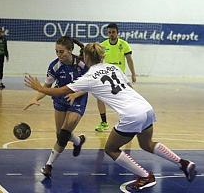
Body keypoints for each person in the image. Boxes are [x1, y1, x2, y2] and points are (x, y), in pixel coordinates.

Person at [25, 42, 197, 191]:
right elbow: (128, 86)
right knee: (147, 144)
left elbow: (61, 90)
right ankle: (183, 163)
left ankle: (145, 176)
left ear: (86, 57)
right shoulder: (113, 67)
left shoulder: (89, 77)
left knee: (111, 149)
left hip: (131, 114)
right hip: (145, 107)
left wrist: (40, 88)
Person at [24, 36, 87, 178]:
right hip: (60, 98)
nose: (59, 55)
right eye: (57, 52)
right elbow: (46, 87)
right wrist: (34, 98)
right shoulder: (55, 66)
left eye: (62, 52)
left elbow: (90, 85)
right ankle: (78, 141)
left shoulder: (82, 64)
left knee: (64, 134)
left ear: (70, 50)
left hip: (78, 99)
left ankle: (48, 165)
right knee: (60, 134)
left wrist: (76, 95)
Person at [95, 23, 136, 132]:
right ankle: (104, 123)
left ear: (117, 33)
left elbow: (129, 60)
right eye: (109, 32)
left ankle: (129, 120)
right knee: (99, 97)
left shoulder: (124, 44)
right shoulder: (103, 45)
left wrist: (133, 73)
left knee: (130, 96)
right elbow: (98, 61)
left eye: (113, 32)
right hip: (106, 75)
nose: (111, 34)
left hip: (120, 76)